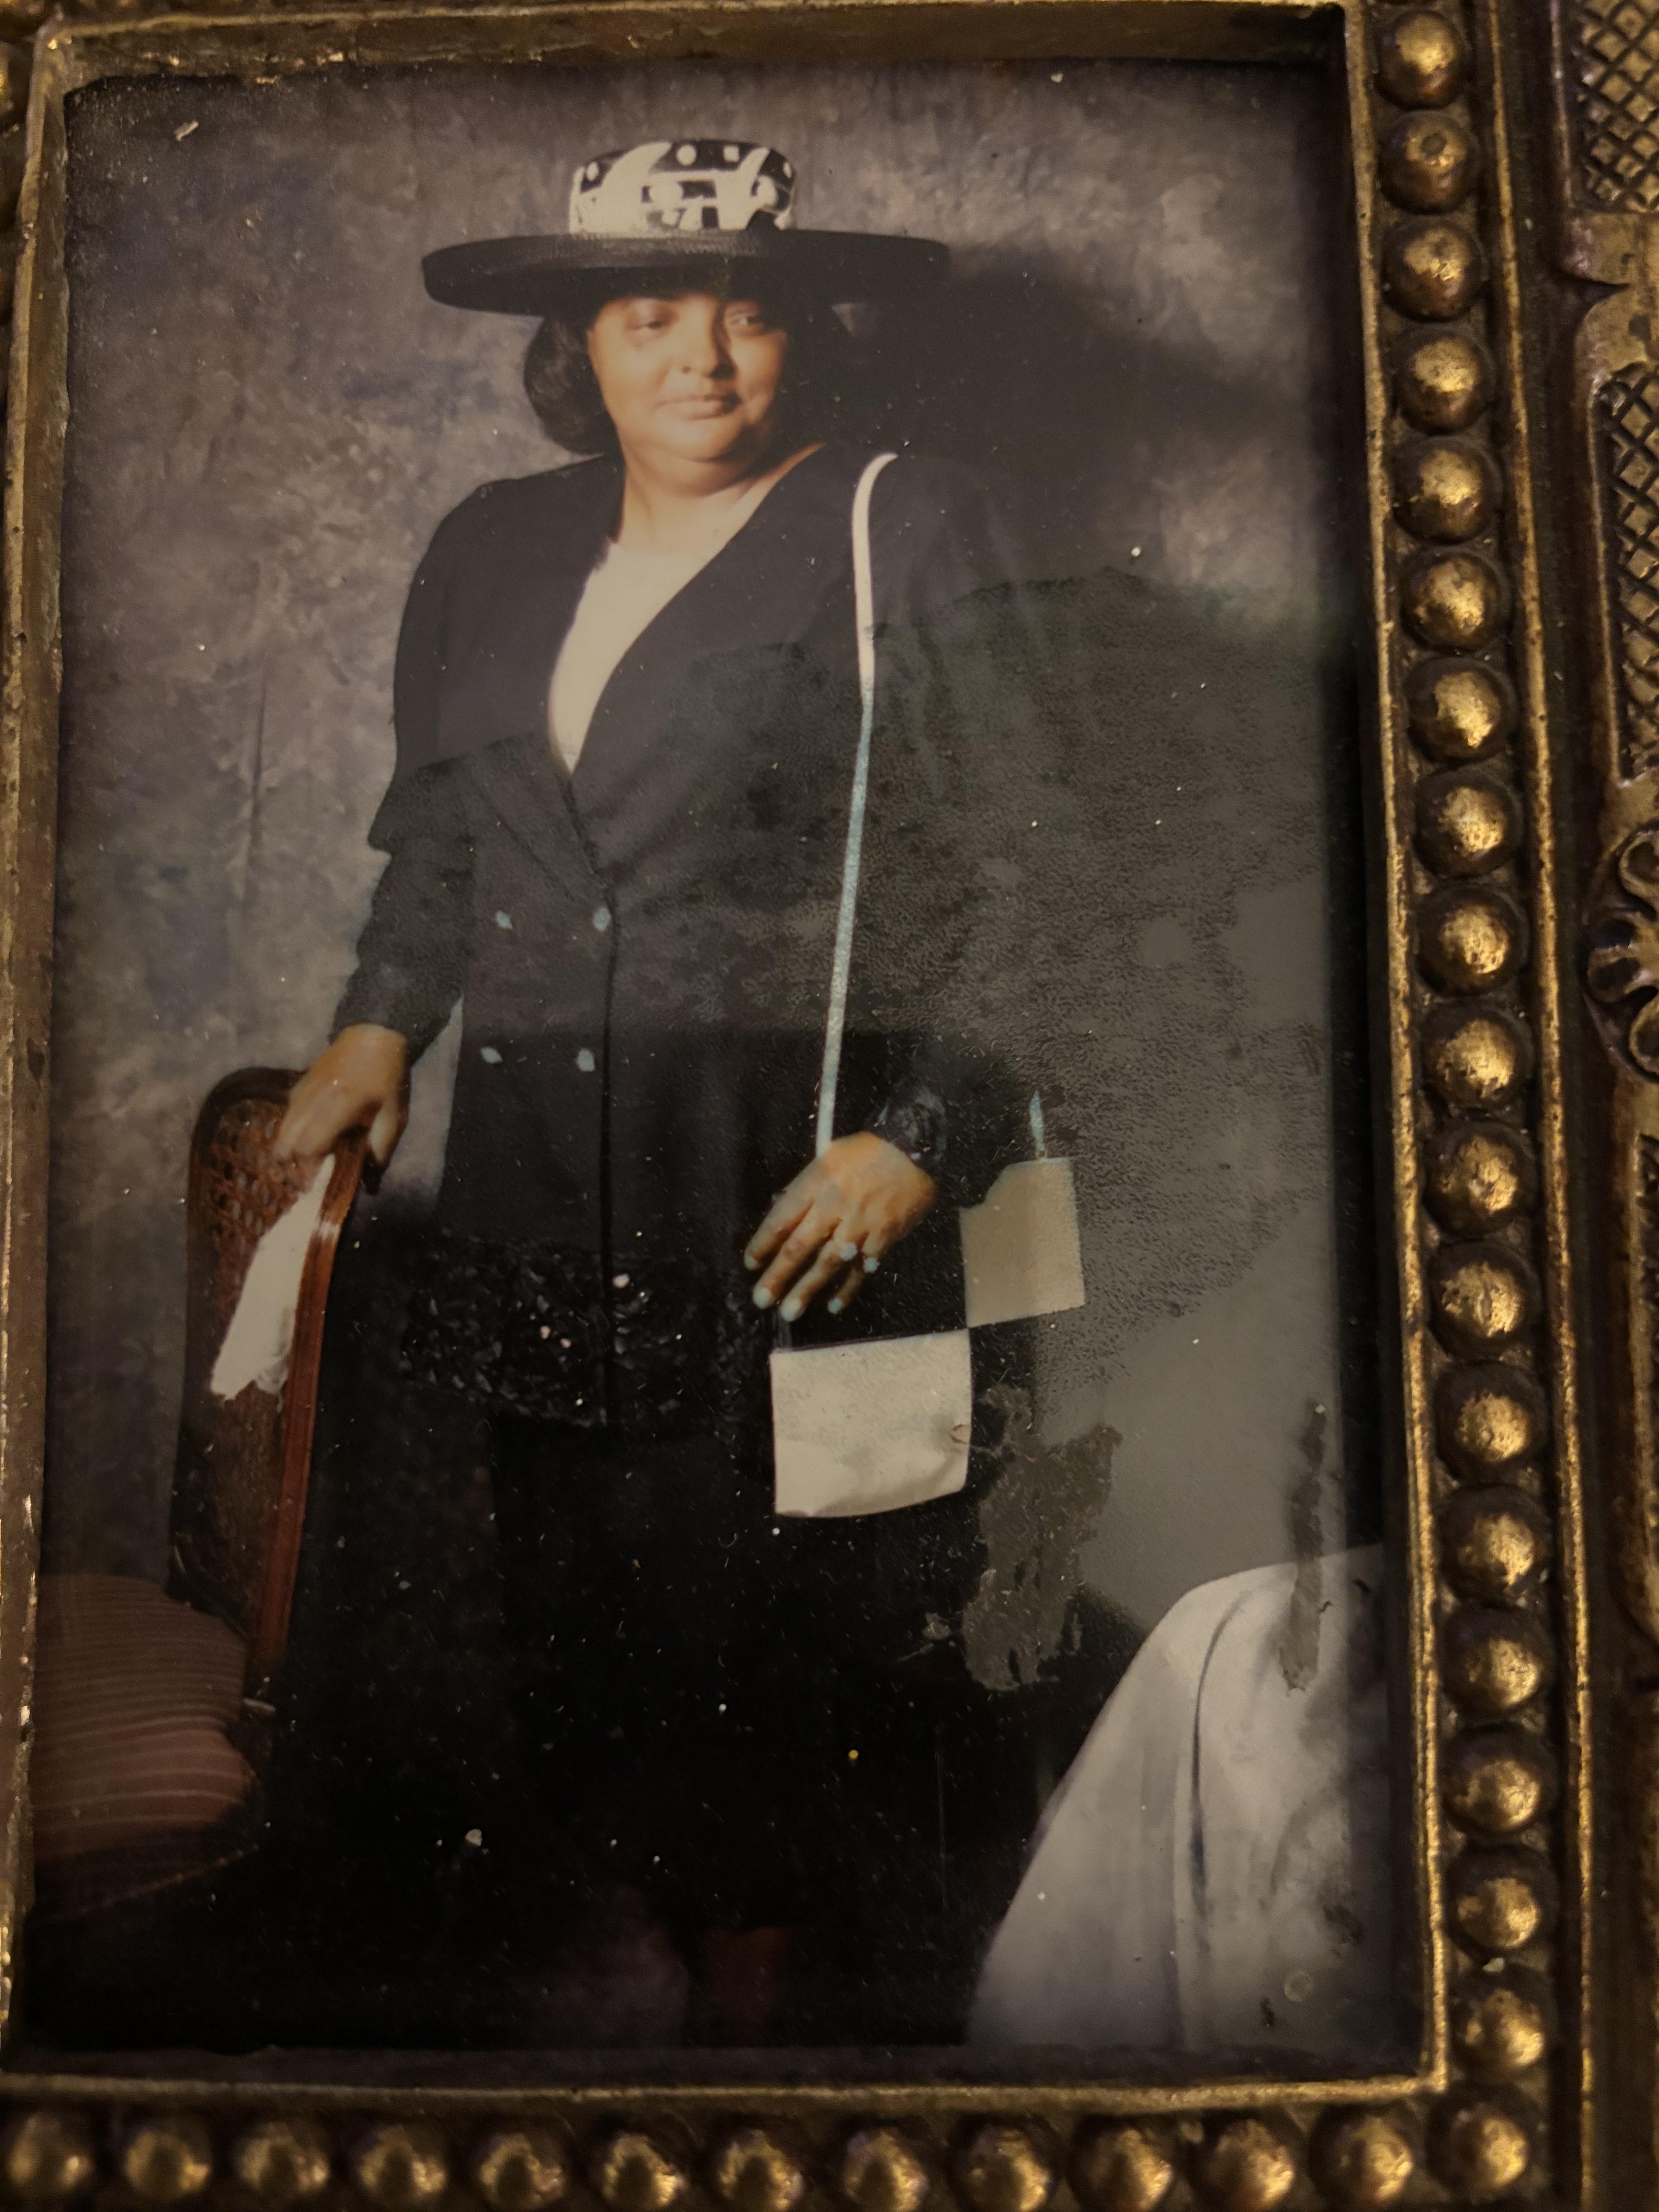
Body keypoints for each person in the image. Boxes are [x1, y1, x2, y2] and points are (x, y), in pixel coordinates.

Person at [275, 138, 1045, 2041]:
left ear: (807, 332)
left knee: (794, 1701)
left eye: (752, 311)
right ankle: (652, 2062)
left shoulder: (904, 525)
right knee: (598, 1666)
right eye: (647, 314)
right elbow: (451, 847)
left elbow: (1068, 876)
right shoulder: (493, 547)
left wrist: (918, 1144)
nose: (702, 357)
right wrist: (384, 1022)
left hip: (792, 1211)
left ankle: (762, 2090)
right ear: (576, 344)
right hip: (549, 1199)